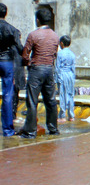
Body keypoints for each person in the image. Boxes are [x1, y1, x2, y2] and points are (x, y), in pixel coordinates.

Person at [20, 8, 60, 138]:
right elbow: (55, 54)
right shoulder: (55, 35)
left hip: (37, 68)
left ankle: (31, 131)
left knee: (32, 100)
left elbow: (25, 54)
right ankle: (53, 129)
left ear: (37, 20)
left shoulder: (33, 35)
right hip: (49, 69)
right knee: (51, 100)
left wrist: (27, 64)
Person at [0, 3, 23, 137]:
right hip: (6, 61)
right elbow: (20, 49)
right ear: (5, 13)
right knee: (8, 95)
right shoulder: (12, 29)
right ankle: (8, 130)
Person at [55, 35, 76, 122]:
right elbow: (73, 68)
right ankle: (71, 115)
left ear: (62, 43)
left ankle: (62, 115)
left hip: (62, 74)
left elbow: (57, 67)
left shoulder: (59, 53)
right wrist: (73, 79)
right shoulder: (72, 54)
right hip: (70, 75)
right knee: (71, 95)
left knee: (62, 95)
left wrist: (56, 80)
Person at [12, 32, 26, 123]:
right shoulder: (17, 47)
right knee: (14, 96)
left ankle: (13, 115)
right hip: (15, 74)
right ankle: (13, 116)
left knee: (13, 95)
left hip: (15, 74)